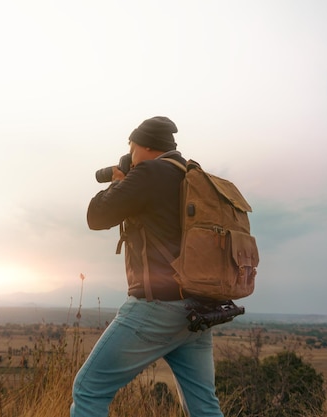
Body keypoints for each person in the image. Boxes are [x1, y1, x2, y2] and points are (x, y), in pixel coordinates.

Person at [70, 116, 224, 417]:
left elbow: (96, 216)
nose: (130, 154)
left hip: (158, 305)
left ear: (145, 145)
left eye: (131, 147)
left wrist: (119, 180)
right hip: (197, 309)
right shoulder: (191, 175)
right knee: (203, 406)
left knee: (89, 389)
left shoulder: (150, 172)